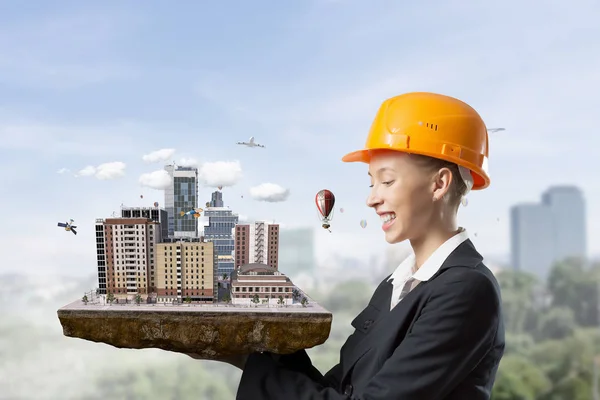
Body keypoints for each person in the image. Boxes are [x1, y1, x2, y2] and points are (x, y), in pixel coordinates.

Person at [226, 92, 505, 399]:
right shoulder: (397, 286)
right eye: (371, 182)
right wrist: (257, 349)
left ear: (439, 184)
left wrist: (252, 366)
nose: (371, 199)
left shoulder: (466, 289)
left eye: (386, 181)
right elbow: (340, 388)